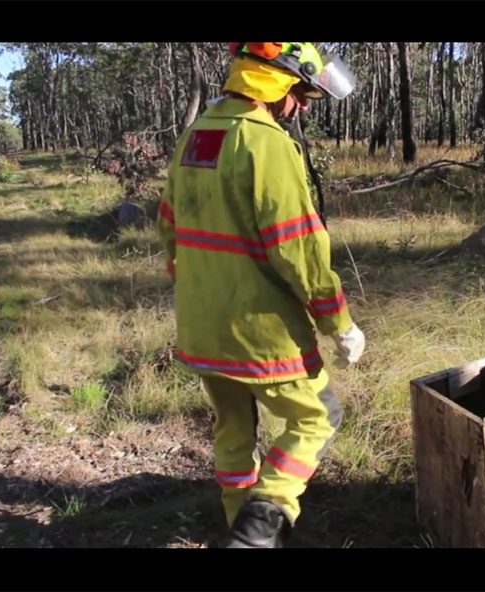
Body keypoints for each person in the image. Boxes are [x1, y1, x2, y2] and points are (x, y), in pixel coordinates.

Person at [156, 42, 365, 548]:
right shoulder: (266, 143)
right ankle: (263, 518)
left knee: (233, 429)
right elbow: (299, 250)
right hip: (261, 332)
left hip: (202, 329)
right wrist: (339, 323)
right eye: (302, 94)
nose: (304, 106)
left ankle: (237, 533)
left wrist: (198, 287)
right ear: (277, 83)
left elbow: (168, 225)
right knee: (317, 418)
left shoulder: (195, 136)